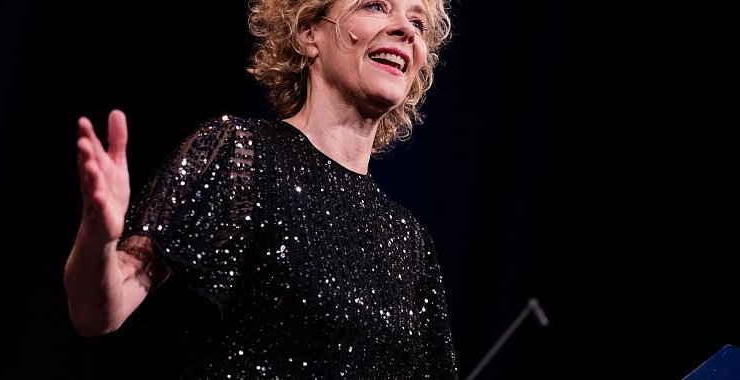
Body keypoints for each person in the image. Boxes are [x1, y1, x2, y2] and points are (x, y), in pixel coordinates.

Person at [63, 0, 457, 378]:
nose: (406, 30)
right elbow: (97, 312)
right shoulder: (241, 155)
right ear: (308, 32)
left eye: (418, 23)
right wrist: (98, 237)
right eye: (375, 5)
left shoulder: (410, 242)